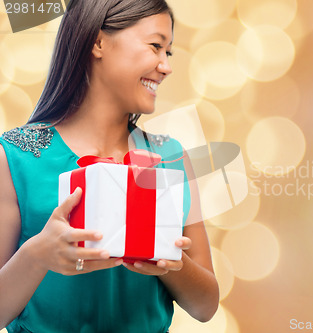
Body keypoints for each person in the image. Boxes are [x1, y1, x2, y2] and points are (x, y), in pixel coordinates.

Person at [0, 0, 219, 332]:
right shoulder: (16, 157)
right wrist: (37, 254)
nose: (166, 66)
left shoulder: (171, 159)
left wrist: (172, 263)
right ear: (98, 43)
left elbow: (206, 307)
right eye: (155, 46)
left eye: (168, 53)